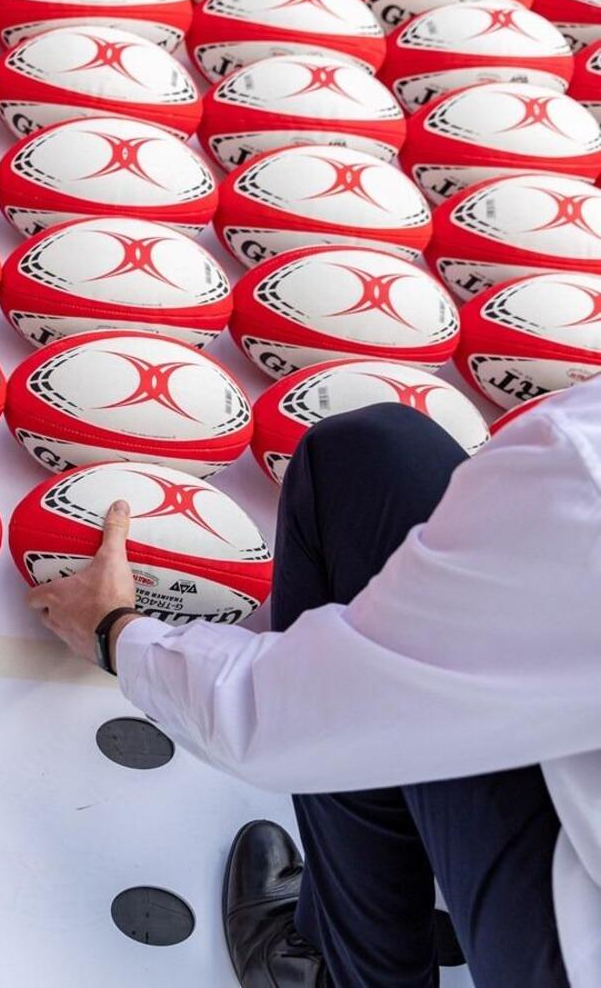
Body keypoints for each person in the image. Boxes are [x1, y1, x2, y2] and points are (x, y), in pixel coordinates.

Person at [30, 386, 601, 988]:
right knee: (380, 461)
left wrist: (115, 632)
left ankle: (347, 970)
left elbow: (299, 716)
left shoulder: (585, 462)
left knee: (357, 468)